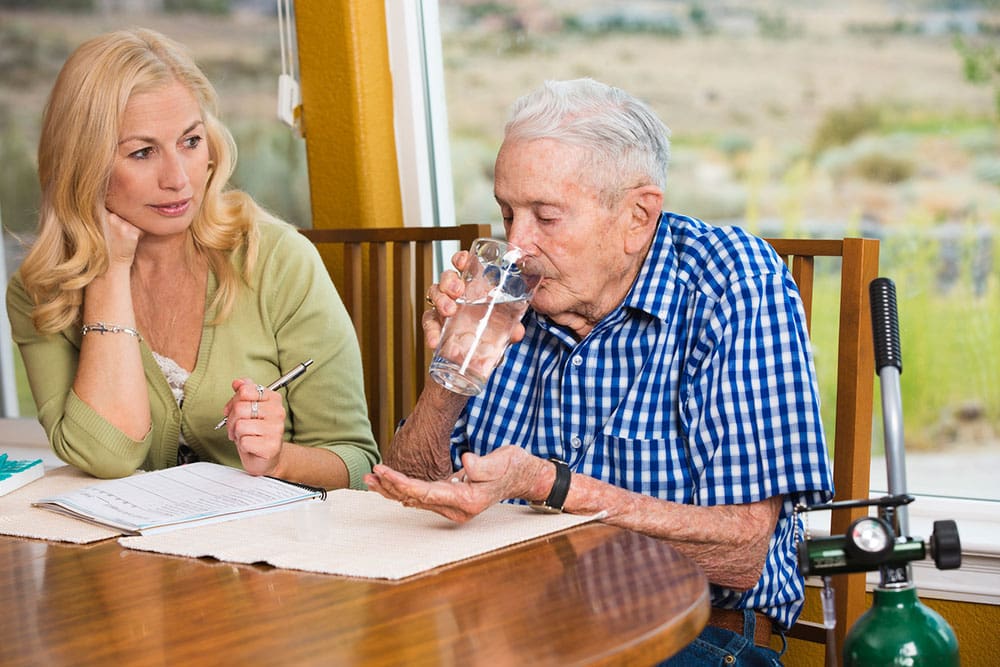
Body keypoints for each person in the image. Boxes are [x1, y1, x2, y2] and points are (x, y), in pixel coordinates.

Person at [364, 78, 833, 664]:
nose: (515, 245)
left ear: (637, 215)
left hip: (682, 631)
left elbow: (746, 553)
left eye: (546, 216)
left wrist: (547, 485)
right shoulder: (509, 297)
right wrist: (447, 380)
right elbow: (402, 498)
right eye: (507, 213)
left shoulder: (731, 285)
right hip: (500, 619)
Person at [6, 28, 379, 490]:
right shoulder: (41, 291)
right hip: (130, 554)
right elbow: (107, 454)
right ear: (84, 165)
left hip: (275, 548)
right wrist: (108, 270)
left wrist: (279, 459)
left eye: (190, 141)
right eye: (142, 152)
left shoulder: (279, 260)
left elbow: (358, 464)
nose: (179, 178)